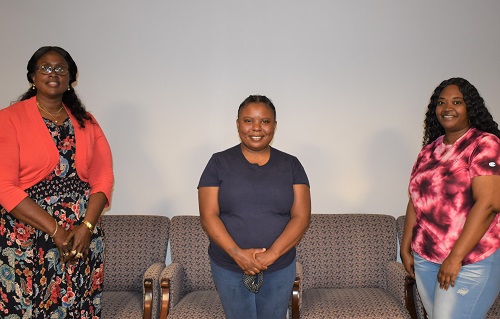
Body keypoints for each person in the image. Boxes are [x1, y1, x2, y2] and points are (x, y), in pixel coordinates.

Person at [0, 46, 114, 318]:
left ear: (71, 78)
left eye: (61, 68)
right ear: (32, 76)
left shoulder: (86, 122)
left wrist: (86, 226)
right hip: (28, 235)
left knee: (78, 306)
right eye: (45, 68)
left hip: (81, 236)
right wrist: (56, 231)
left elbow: (103, 178)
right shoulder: (9, 119)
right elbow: (5, 187)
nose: (53, 73)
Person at [198, 95, 311, 319]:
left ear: (274, 126)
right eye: (248, 120)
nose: (256, 128)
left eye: (265, 121)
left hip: (279, 266)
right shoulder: (217, 163)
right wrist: (237, 254)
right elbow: (208, 216)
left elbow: (301, 216)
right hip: (228, 265)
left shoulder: (292, 165)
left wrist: (272, 255)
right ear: (238, 124)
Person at [401, 77, 500, 318]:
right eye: (441, 102)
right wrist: (406, 245)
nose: (448, 108)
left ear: (470, 108)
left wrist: (455, 258)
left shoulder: (485, 144)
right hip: (426, 257)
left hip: (471, 258)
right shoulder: (429, 151)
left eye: (457, 102)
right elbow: (417, 199)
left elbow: (489, 204)